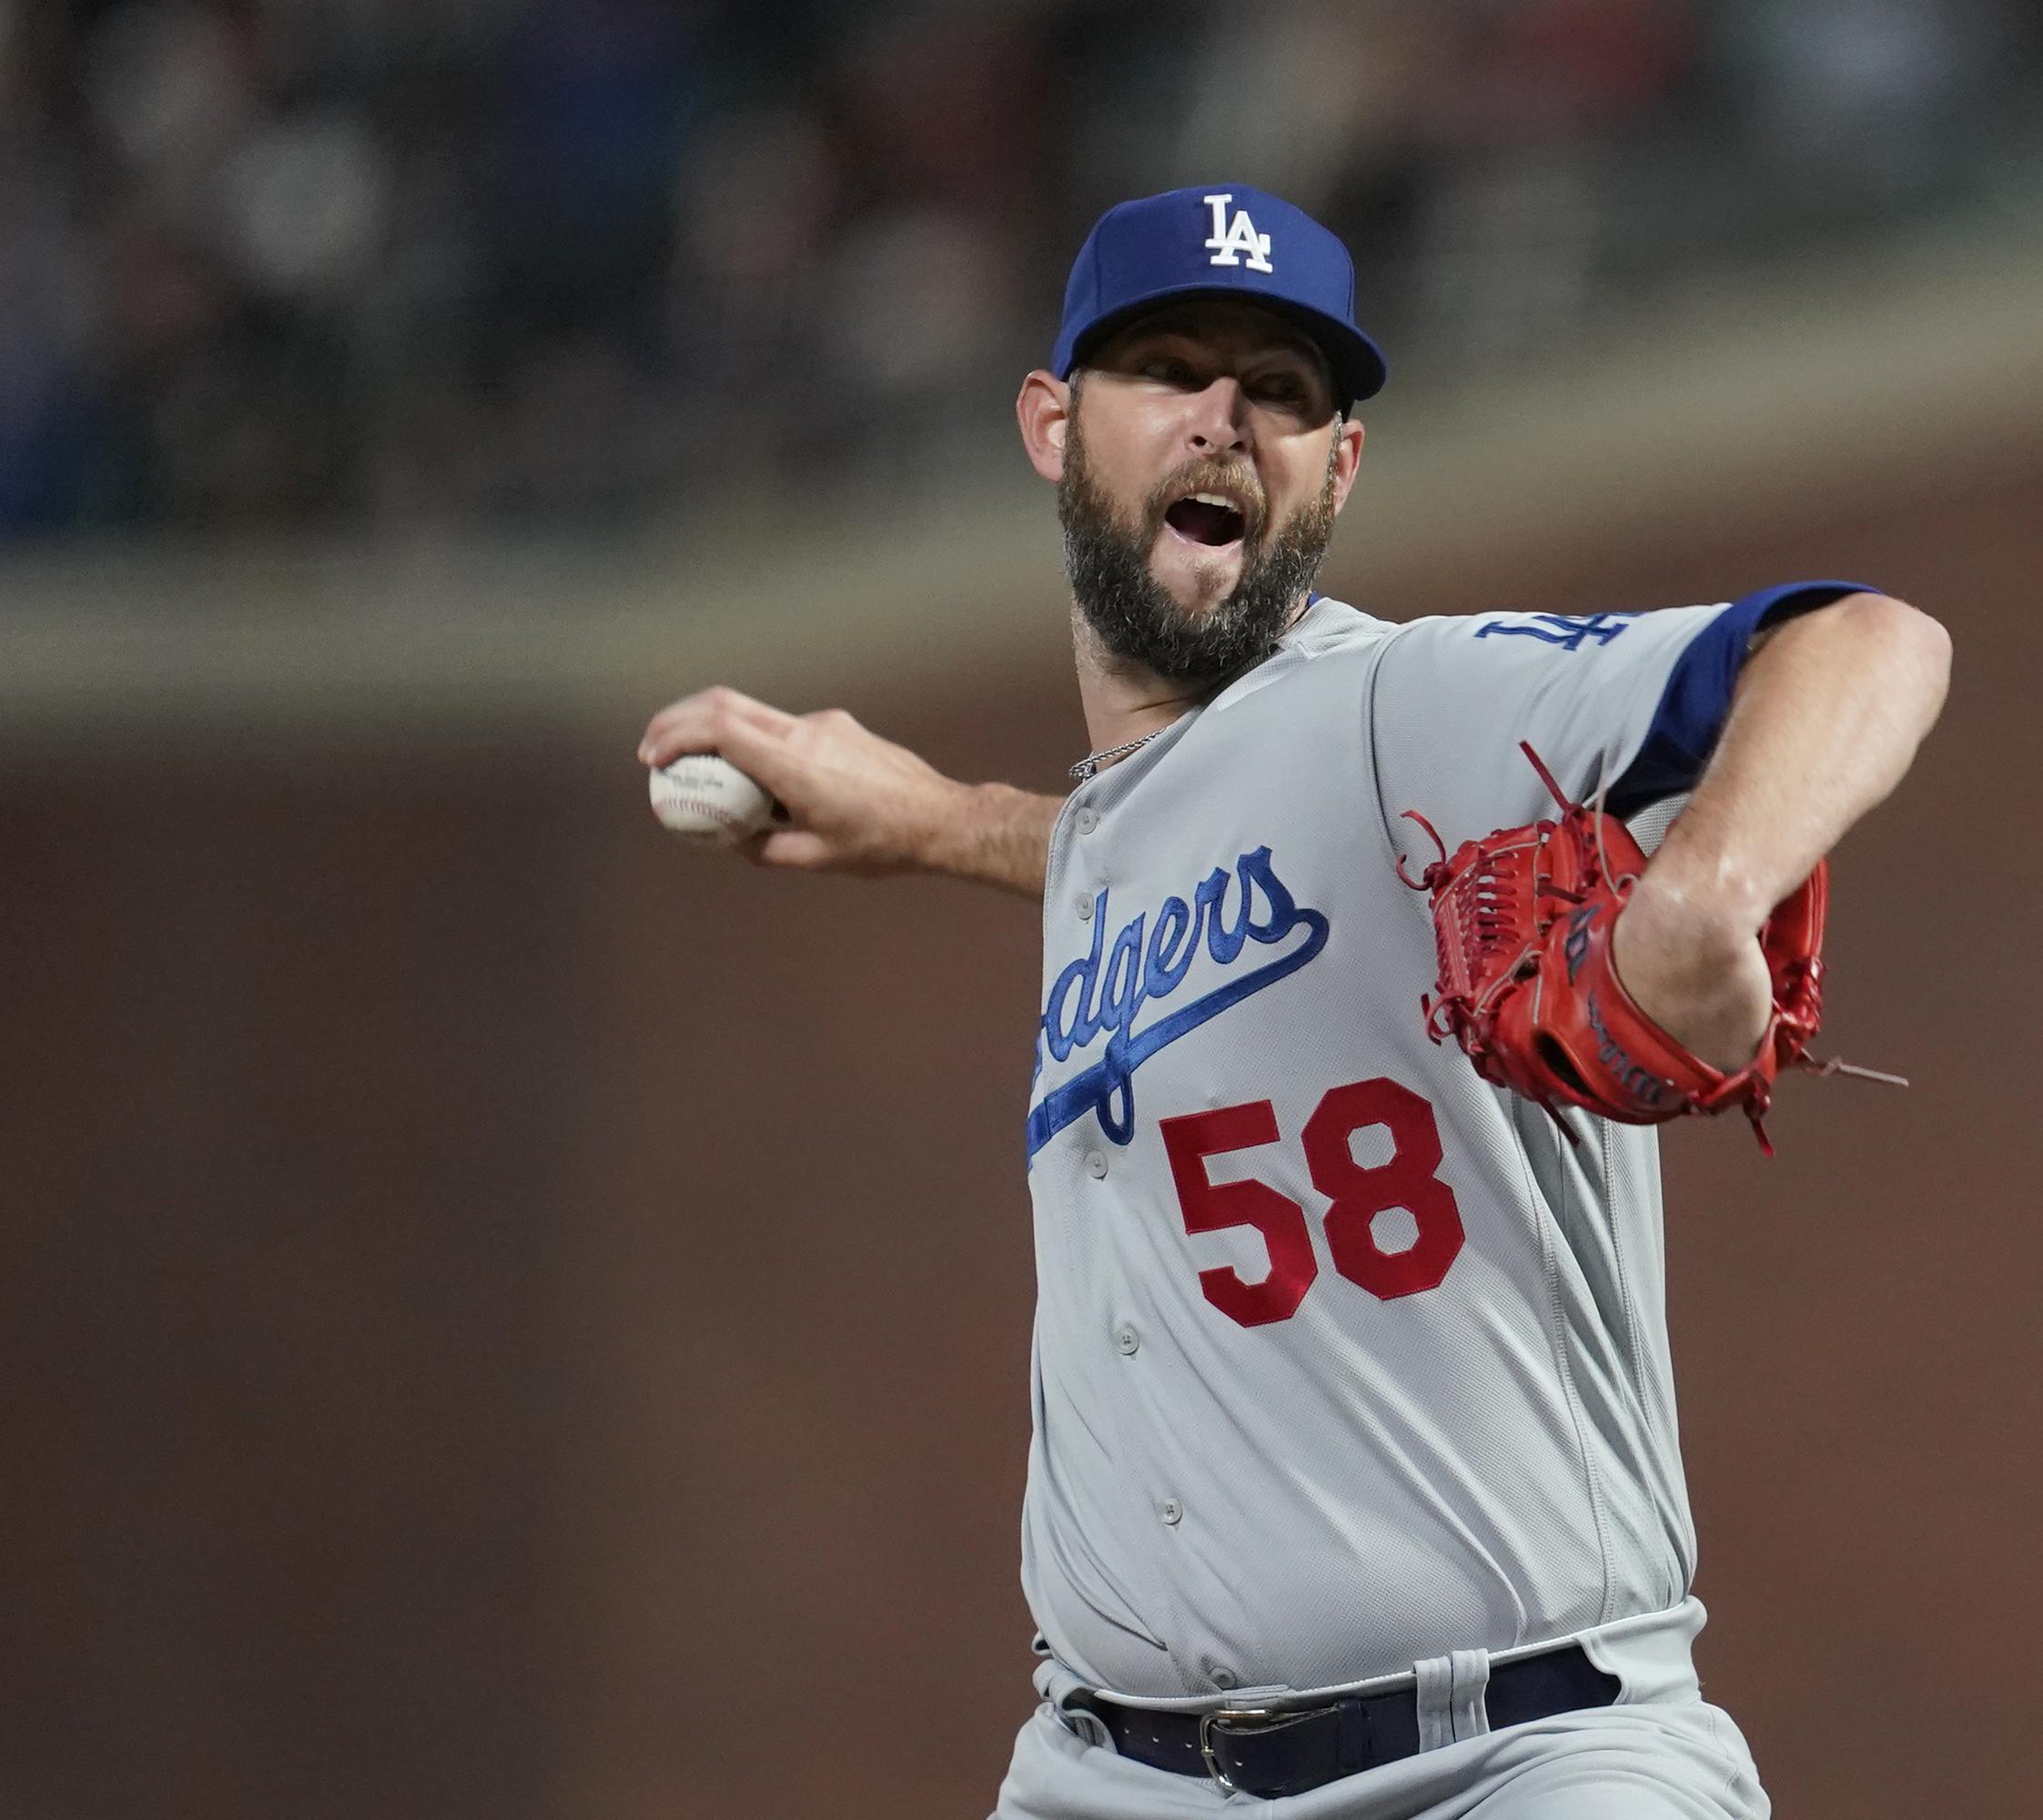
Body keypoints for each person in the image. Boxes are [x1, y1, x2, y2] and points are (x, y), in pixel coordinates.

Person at [637, 183, 1951, 1816]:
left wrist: (1704, 886)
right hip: (1110, 1775)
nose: (1224, 419)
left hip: (1520, 1757)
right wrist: (936, 823)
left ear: (1341, 465)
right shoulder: (1136, 826)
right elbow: (1189, 848)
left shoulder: (1406, 704)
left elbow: (1866, 641)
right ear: (1053, 424)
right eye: (1169, 367)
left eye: (1282, 390)